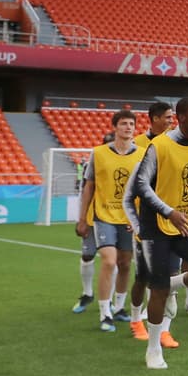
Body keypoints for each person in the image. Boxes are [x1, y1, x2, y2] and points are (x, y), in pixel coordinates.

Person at [123, 96, 188, 370]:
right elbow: (142, 186)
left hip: (186, 220)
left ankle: (170, 285)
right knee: (157, 288)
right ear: (182, 118)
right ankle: (153, 349)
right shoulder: (159, 146)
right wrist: (169, 213)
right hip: (156, 225)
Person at [75, 110, 144, 332]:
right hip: (103, 216)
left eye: (131, 124)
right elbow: (89, 187)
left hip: (128, 218)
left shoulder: (142, 154)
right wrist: (82, 218)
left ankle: (119, 307)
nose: (128, 127)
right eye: (124, 123)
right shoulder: (99, 153)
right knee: (109, 261)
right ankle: (105, 313)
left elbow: (145, 189)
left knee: (125, 264)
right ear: (115, 127)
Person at [127, 101, 176, 338]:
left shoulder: (176, 142)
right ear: (154, 118)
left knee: (171, 275)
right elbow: (133, 183)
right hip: (146, 222)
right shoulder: (138, 145)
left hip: (174, 220)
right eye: (167, 117)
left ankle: (164, 329)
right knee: (143, 276)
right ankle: (136, 319)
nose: (171, 121)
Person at [72, 132, 115, 317]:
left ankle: (110, 301)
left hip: (116, 219)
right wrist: (81, 219)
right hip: (93, 217)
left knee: (114, 261)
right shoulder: (94, 163)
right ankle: (87, 293)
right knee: (88, 255)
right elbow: (85, 191)